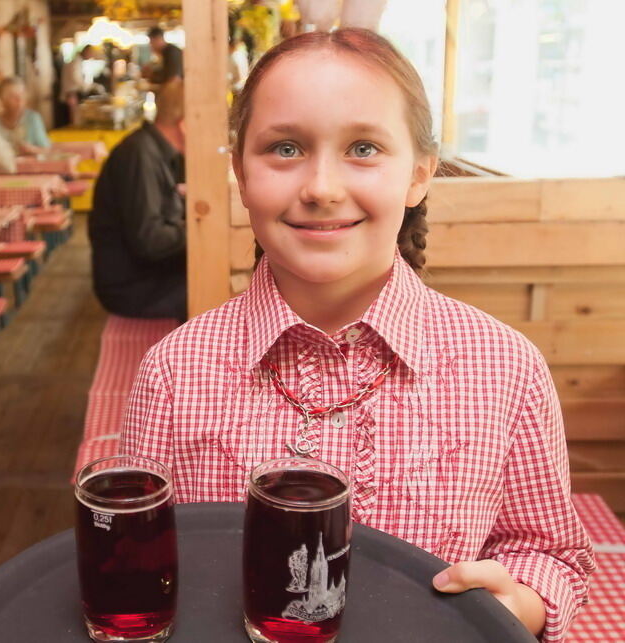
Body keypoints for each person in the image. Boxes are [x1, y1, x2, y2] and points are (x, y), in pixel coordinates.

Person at [120, 30, 593, 641]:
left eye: (363, 148)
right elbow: (139, 560)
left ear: (419, 174)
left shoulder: (506, 368)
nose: (321, 187)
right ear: (239, 171)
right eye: (285, 148)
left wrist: (520, 602)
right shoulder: (172, 373)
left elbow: (550, 554)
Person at [88, 81, 186, 321]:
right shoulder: (139, 156)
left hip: (150, 273)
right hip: (132, 288)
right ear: (185, 125)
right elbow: (151, 240)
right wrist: (201, 227)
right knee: (223, 291)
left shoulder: (151, 149)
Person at [0, 76, 51, 156]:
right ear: (2, 101)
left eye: (21, 94)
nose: (19, 99)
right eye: (12, 96)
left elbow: (47, 150)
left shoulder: (33, 118)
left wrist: (32, 149)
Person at [60, 46, 97, 126]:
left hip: (73, 93)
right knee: (75, 118)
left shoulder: (77, 61)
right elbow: (76, 78)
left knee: (75, 117)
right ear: (86, 52)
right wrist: (87, 87)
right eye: (91, 53)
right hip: (71, 93)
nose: (91, 55)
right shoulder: (75, 62)